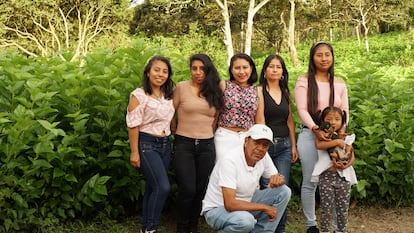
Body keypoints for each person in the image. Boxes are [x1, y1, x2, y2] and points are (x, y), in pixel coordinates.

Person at [294, 41, 349, 233]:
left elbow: (345, 111)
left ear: (332, 57)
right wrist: (316, 129)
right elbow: (301, 109)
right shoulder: (304, 81)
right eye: (319, 55)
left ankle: (336, 226)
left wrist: (340, 132)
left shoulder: (340, 83)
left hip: (335, 137)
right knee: (311, 181)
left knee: (337, 179)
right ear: (312, 57)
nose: (324, 58)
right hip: (310, 136)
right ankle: (311, 224)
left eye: (327, 54)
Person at [201, 124, 291, 233]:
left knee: (284, 191)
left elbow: (276, 176)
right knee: (245, 221)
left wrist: (279, 180)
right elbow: (230, 204)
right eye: (256, 143)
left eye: (265, 145)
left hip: (246, 201)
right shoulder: (230, 160)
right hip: (218, 209)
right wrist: (264, 207)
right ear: (246, 141)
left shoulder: (263, 156)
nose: (260, 149)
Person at [172, 54, 224, 233]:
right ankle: (182, 227)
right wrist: (176, 133)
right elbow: (171, 113)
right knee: (187, 188)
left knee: (201, 187)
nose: (197, 72)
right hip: (183, 144)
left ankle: (193, 226)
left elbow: (216, 118)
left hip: (206, 146)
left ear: (208, 70)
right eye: (194, 68)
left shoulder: (215, 90)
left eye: (202, 69)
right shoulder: (181, 87)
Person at [126, 56, 175, 233]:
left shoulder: (169, 95)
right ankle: (151, 229)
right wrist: (134, 152)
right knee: (163, 187)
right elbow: (133, 125)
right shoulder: (138, 95)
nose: (160, 74)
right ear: (148, 72)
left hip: (165, 144)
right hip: (147, 144)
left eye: (165, 71)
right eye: (156, 70)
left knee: (152, 187)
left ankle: (145, 229)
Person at [258, 54, 299, 233]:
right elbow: (259, 121)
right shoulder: (259, 91)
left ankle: (280, 229)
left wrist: (294, 145)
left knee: (282, 188)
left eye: (278, 67)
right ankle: (264, 228)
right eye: (271, 66)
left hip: (284, 147)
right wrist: (262, 146)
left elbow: (290, 121)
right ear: (265, 71)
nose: (275, 69)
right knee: (267, 189)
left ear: (282, 72)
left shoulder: (285, 92)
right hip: (264, 147)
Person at [311, 106, 357, 233]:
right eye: (329, 119)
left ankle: (341, 230)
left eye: (337, 119)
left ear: (342, 121)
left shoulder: (346, 138)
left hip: (343, 177)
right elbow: (319, 145)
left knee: (343, 208)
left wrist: (346, 164)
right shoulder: (322, 137)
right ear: (323, 122)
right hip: (326, 176)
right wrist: (337, 143)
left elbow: (352, 155)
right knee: (326, 207)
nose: (333, 122)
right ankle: (325, 230)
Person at [214, 53, 265, 162]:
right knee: (224, 171)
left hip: (247, 138)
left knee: (245, 173)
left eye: (245, 67)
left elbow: (260, 119)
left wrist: (260, 141)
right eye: (237, 68)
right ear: (231, 70)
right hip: (224, 136)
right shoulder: (224, 85)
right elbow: (215, 114)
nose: (241, 72)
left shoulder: (257, 90)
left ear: (251, 69)